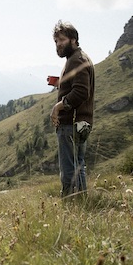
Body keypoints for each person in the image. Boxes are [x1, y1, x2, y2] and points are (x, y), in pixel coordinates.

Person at [49, 20, 95, 197]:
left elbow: (81, 92)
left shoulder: (76, 60)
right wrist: (61, 83)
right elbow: (78, 87)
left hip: (71, 123)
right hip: (80, 123)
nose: (58, 44)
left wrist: (58, 107)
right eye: (56, 41)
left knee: (69, 167)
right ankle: (81, 200)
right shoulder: (78, 58)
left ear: (74, 40)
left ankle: (69, 202)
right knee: (78, 165)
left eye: (61, 40)